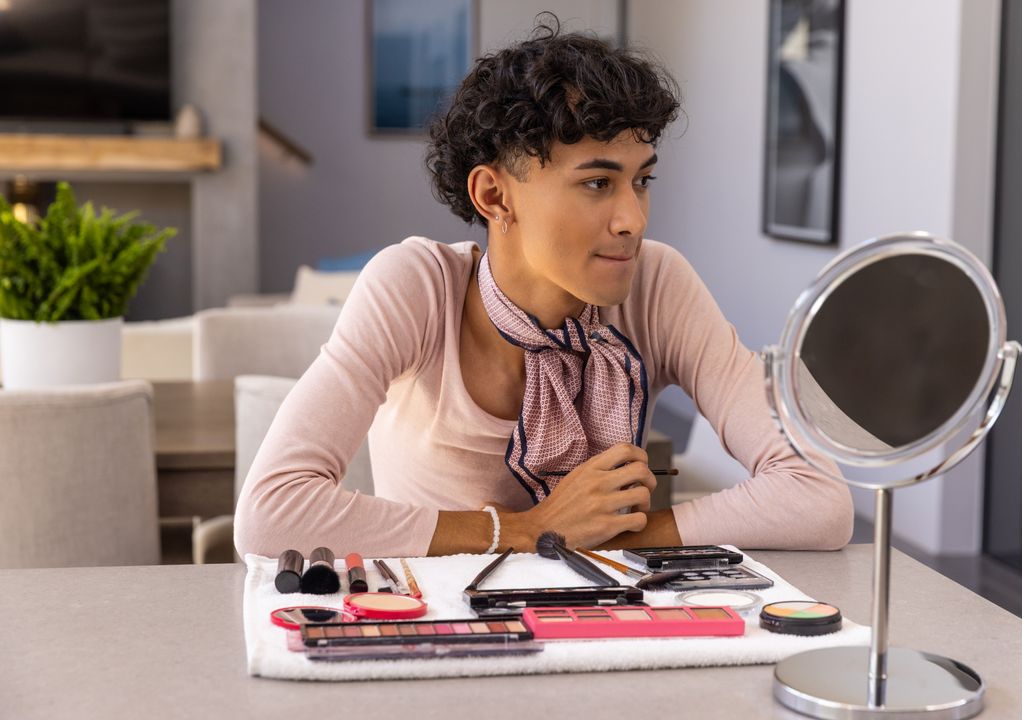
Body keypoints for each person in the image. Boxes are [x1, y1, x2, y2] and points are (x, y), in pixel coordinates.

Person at [234, 19, 853, 560]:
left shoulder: (657, 284)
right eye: (596, 184)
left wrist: (621, 537)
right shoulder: (418, 288)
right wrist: (530, 530)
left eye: (641, 182)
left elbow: (820, 499)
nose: (632, 219)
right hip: (439, 629)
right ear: (494, 196)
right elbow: (270, 514)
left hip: (595, 621)